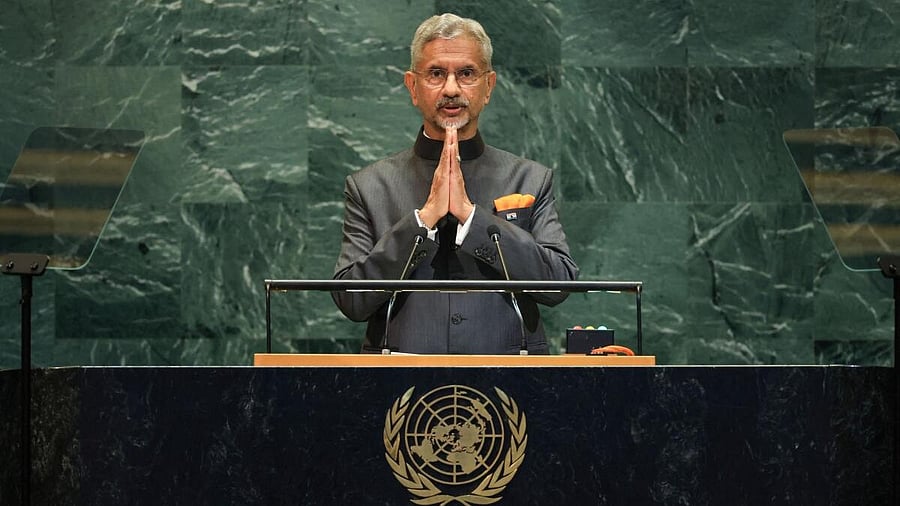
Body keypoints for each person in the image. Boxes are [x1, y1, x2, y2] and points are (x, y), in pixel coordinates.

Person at [332, 13, 578, 354]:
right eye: (435, 73)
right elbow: (351, 299)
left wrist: (472, 218)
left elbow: (558, 285)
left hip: (513, 384)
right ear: (412, 87)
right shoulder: (369, 186)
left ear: (488, 86)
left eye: (466, 74)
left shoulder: (531, 178)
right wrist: (423, 219)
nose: (451, 89)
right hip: (396, 387)